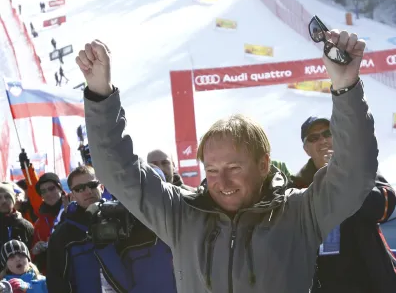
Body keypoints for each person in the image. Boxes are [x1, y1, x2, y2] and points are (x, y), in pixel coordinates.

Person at [78, 30, 378, 292]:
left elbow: (354, 174)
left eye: (234, 168)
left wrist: (347, 86)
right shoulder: (182, 215)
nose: (221, 182)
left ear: (263, 165)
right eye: (211, 170)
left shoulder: (299, 213)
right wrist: (99, 94)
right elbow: (117, 171)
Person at [290, 116, 396, 293]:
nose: (323, 140)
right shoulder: (298, 185)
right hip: (323, 284)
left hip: (370, 280)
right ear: (306, 149)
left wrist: (341, 176)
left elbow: (384, 207)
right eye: (314, 138)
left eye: (328, 133)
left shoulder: (362, 168)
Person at [47, 165, 177, 293]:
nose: (88, 191)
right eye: (80, 189)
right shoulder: (63, 234)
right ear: (72, 195)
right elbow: (56, 282)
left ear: (101, 187)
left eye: (92, 185)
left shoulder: (125, 218)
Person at [31, 173, 64, 274]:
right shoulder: (40, 222)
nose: (48, 194)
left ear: (60, 188)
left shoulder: (74, 208)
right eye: (43, 191)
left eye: (51, 188)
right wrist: (36, 250)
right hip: (54, 274)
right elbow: (33, 255)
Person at [0, 183, 34, 267]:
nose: (4, 201)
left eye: (7, 196)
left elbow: (34, 257)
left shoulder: (25, 225)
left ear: (13, 199)